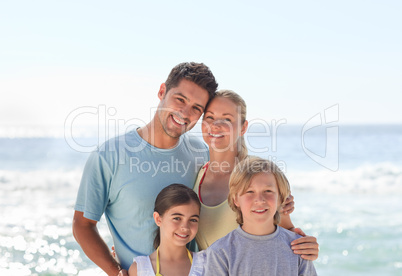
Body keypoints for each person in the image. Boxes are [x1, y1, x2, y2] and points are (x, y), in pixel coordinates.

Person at [72, 62, 218, 275]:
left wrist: (281, 208)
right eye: (180, 100)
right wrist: (116, 272)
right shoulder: (109, 156)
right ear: (162, 92)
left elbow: (230, 198)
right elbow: (82, 226)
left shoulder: (202, 154)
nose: (185, 113)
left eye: (197, 108)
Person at [194, 90, 319, 259]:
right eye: (209, 117)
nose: (216, 125)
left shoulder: (261, 177)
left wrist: (306, 247)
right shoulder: (196, 175)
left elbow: (287, 233)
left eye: (227, 119)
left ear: (243, 128)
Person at [204, 156, 317, 275]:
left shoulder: (299, 248)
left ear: (280, 197)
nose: (259, 200)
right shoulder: (220, 252)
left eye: (268, 191)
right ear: (236, 200)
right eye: (250, 192)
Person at [127, 184, 205, 276]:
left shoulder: (206, 264)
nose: (185, 227)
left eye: (193, 220)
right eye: (177, 218)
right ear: (158, 219)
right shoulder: (140, 269)